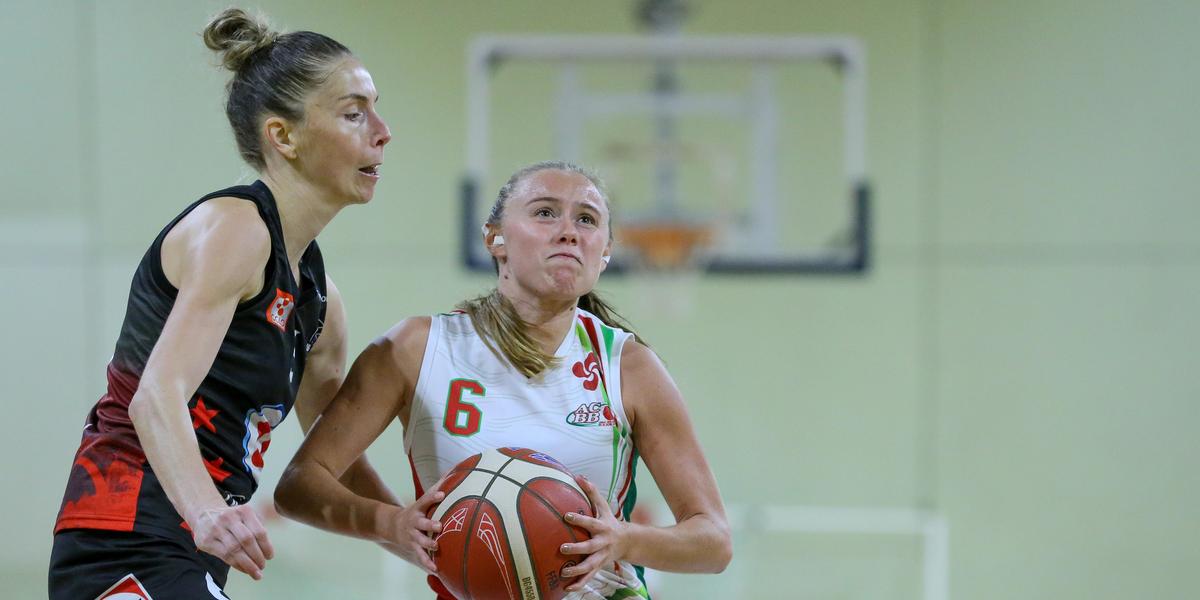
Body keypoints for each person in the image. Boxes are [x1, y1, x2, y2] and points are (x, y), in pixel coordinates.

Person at [48, 8, 395, 599]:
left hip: (190, 549)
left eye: (377, 108)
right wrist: (210, 514)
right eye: (353, 112)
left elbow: (328, 458)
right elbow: (156, 398)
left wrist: (417, 533)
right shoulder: (237, 227)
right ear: (283, 136)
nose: (382, 130)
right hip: (125, 533)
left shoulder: (320, 302)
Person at [275, 161, 732, 599]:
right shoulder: (414, 348)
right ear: (495, 239)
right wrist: (390, 523)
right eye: (545, 212)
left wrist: (623, 540)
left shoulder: (629, 366)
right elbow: (299, 484)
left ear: (606, 253)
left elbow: (712, 539)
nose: (569, 231)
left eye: (588, 220)